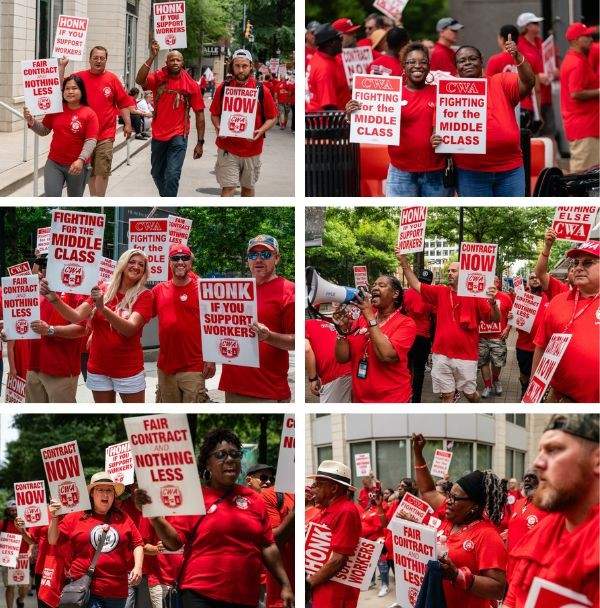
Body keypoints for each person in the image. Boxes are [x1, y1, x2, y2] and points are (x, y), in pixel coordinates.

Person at [135, 428, 294, 608]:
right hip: (200, 595)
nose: (230, 459)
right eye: (221, 455)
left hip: (246, 597)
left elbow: (268, 545)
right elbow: (174, 543)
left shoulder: (254, 499)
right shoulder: (195, 498)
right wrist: (155, 517)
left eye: (235, 454)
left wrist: (285, 584)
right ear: (207, 464)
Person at [504, 414, 599, 607]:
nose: (538, 463)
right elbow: (512, 600)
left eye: (554, 450)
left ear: (597, 461)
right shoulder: (540, 534)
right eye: (540, 451)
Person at [43, 249, 153, 403]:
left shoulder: (145, 295)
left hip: (129, 369)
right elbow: (76, 316)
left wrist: (103, 309)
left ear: (144, 271)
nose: (136, 266)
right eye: (132, 262)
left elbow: (130, 329)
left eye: (141, 264)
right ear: (123, 264)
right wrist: (54, 299)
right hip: (98, 368)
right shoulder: (103, 289)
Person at [412, 434, 508, 608]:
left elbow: (499, 588)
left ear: (474, 506)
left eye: (455, 498)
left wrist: (457, 575)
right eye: (449, 495)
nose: (448, 500)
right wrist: (418, 453)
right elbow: (427, 491)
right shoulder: (451, 515)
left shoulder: (487, 536)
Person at [347, 42, 452, 196]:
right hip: (401, 173)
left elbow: (455, 126)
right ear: (403, 66)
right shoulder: (392, 94)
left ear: (429, 66)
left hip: (436, 173)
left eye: (423, 62)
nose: (417, 66)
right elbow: (370, 119)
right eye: (411, 62)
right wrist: (352, 114)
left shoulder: (442, 94)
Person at [432, 40, 535, 196]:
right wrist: (436, 140)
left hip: (511, 170)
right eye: (462, 60)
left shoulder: (500, 81)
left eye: (472, 59)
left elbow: (528, 82)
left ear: (481, 61)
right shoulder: (448, 93)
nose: (467, 63)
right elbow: (437, 133)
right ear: (456, 67)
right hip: (470, 172)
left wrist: (517, 57)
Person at [397, 254, 500, 402]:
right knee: (446, 395)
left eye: (453, 271)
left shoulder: (476, 296)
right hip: (441, 355)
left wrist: (493, 304)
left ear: (463, 274)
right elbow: (416, 284)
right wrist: (404, 263)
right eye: (449, 271)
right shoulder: (440, 291)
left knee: (470, 395)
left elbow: (495, 318)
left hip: (466, 356)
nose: (449, 273)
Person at [47, 472, 143, 608]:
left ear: (114, 495)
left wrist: (138, 567)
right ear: (92, 493)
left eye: (109, 490)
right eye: (100, 490)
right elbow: (52, 540)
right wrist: (54, 517)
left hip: (117, 592)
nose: (105, 494)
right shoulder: (75, 516)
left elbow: (137, 543)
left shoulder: (123, 517)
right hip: (85, 589)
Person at [218, 235, 294, 403]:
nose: (258, 259)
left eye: (266, 254)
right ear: (248, 260)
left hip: (268, 391)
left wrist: (269, 336)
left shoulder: (289, 291)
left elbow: (296, 341)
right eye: (253, 255)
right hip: (233, 387)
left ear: (277, 258)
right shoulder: (234, 289)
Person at [532, 240, 599, 403]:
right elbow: (541, 347)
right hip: (559, 399)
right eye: (576, 263)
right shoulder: (558, 301)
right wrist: (533, 393)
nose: (578, 267)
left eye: (588, 262)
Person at [136, 41, 205, 197]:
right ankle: (166, 198)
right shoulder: (158, 77)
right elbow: (140, 81)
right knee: (156, 173)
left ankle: (168, 205)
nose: (175, 62)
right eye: (171, 60)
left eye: (178, 60)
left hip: (179, 135)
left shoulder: (191, 85)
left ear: (182, 63)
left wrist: (200, 142)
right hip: (159, 134)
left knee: (173, 174)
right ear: (166, 62)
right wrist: (152, 56)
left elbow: (199, 114)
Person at [334, 275, 417, 402]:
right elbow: (342, 358)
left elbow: (387, 355)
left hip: (392, 399)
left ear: (395, 294)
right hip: (360, 399)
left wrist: (369, 316)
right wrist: (342, 330)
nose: (375, 288)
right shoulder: (361, 319)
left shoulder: (406, 323)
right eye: (374, 285)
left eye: (382, 285)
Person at [152, 244, 215, 402]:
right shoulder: (159, 290)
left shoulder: (204, 289)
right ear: (169, 262)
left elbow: (213, 325)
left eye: (185, 258)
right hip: (165, 368)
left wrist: (212, 358)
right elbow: (139, 316)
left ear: (190, 262)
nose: (180, 261)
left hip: (194, 366)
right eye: (175, 258)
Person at [67, 46, 133, 196]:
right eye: (95, 58)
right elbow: (62, 90)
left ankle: (99, 199)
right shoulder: (79, 78)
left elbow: (123, 103)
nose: (98, 61)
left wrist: (128, 124)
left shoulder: (112, 79)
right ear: (89, 59)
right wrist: (62, 67)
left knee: (102, 170)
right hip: (84, 136)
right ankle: (94, 198)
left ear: (106, 60)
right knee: (90, 170)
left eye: (102, 58)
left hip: (105, 135)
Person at [210, 49, 277, 197]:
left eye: (244, 66)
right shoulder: (224, 88)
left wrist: (261, 131)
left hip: (252, 149)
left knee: (247, 189)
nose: (240, 70)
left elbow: (272, 117)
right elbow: (214, 114)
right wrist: (218, 126)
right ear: (232, 67)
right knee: (228, 188)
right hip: (228, 148)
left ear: (251, 66)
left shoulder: (261, 90)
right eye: (237, 66)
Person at [23, 253, 86, 403]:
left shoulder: (76, 291)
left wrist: (50, 330)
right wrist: (9, 331)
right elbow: (24, 321)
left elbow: (81, 329)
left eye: (50, 265)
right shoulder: (33, 290)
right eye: (43, 265)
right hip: (33, 366)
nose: (44, 269)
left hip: (60, 370)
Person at [23, 75, 98, 197]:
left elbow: (91, 141)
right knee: (51, 197)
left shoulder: (89, 114)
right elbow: (44, 130)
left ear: (82, 91)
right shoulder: (56, 109)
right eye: (67, 88)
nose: (70, 91)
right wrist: (32, 122)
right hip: (54, 163)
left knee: (74, 200)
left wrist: (81, 160)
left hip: (77, 166)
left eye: (74, 88)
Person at [306, 460, 362, 608]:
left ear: (333, 488)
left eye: (318, 484)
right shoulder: (326, 510)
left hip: (335, 595)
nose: (313, 489)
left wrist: (309, 583)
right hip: (322, 589)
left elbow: (338, 560)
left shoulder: (346, 511)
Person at [559, 22, 599, 172]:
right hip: (583, 128)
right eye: (586, 36)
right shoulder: (576, 62)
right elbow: (575, 93)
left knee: (589, 174)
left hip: (587, 126)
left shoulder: (579, 58)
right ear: (576, 40)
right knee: (583, 176)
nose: (590, 39)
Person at [516, 12, 556, 137]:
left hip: (546, 95)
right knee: (534, 136)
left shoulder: (542, 43)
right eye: (535, 23)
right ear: (527, 26)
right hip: (531, 98)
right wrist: (538, 77)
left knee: (550, 133)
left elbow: (555, 65)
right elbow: (518, 70)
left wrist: (553, 72)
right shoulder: (519, 45)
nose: (538, 25)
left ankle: (551, 158)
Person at [512, 273, 548, 399]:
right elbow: (515, 316)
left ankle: (537, 396)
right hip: (524, 345)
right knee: (524, 373)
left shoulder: (550, 297)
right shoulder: (522, 297)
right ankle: (524, 388)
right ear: (528, 282)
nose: (535, 279)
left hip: (543, 347)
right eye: (532, 277)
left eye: (537, 277)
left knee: (540, 375)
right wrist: (512, 318)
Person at [478, 276, 512, 398]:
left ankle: (496, 380)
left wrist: (507, 329)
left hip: (498, 337)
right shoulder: (479, 295)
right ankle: (487, 385)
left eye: (492, 281)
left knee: (497, 363)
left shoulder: (505, 298)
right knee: (483, 362)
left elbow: (512, 316)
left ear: (497, 283)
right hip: (482, 336)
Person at [404, 268, 435, 403]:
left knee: (406, 367)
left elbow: (403, 311)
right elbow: (435, 317)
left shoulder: (408, 293)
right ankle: (416, 400)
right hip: (423, 336)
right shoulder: (431, 295)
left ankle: (405, 395)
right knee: (419, 369)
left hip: (407, 334)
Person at [305, 316, 352, 402]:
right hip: (353, 370)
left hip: (334, 376)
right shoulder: (334, 323)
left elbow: (306, 350)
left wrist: (313, 378)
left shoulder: (305, 324)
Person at [306, 24, 349, 113]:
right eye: (340, 39)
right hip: (327, 123)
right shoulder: (324, 69)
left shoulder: (321, 57)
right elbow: (329, 107)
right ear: (331, 43)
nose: (342, 42)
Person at [1, 500, 33, 608]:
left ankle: (21, 598)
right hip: (8, 557)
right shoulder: (3, 523)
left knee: (24, 586)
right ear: (7, 511)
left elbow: (31, 541)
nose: (14, 512)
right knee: (10, 586)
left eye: (15, 510)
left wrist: (30, 550)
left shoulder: (25, 523)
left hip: (22, 557)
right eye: (11, 510)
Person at [359, 487, 389, 597]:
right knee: (369, 563)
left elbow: (382, 524)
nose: (372, 497)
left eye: (374, 495)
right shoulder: (368, 509)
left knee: (381, 564)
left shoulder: (382, 507)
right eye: (370, 495)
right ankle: (371, 581)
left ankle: (385, 585)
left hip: (378, 541)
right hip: (367, 541)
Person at [506, 470, 547, 551]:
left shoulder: (546, 505)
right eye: (525, 478)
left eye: (532, 477)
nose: (527, 480)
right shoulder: (518, 503)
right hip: (512, 559)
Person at [533, 227, 574, 300]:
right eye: (572, 270)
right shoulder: (562, 289)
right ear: (567, 276)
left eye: (587, 264)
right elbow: (540, 273)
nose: (579, 269)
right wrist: (547, 246)